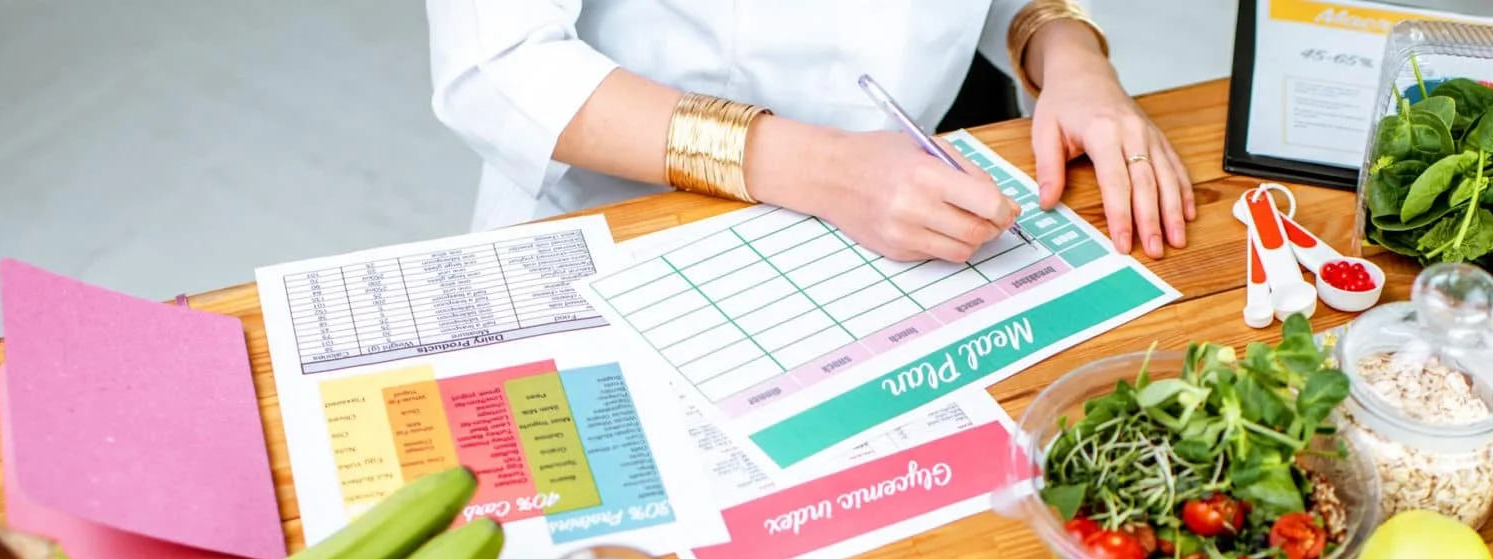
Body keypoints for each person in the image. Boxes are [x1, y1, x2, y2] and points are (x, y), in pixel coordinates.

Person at [425, 0, 1195, 264]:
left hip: (898, 231)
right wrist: (827, 170)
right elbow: (495, 63)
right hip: (628, 216)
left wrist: (1066, 49)